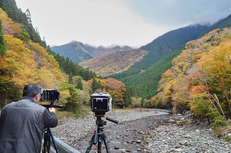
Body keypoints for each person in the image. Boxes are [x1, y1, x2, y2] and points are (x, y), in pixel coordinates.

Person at [0, 83, 58, 153]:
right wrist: (52, 112)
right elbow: (54, 122)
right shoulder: (41, 110)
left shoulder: (6, 108)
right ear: (37, 96)